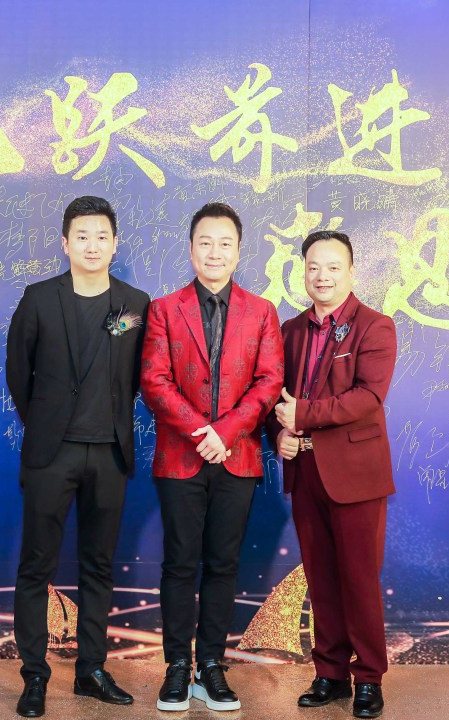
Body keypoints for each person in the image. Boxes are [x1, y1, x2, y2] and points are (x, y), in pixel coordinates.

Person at [5, 196, 150, 718]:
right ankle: (34, 676)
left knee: (98, 566)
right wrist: (46, 422)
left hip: (109, 453)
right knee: (36, 566)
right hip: (52, 453)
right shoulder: (39, 298)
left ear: (115, 243)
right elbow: (18, 371)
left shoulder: (133, 303)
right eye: (82, 236)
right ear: (65, 243)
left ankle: (91, 670)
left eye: (101, 236)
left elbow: (138, 375)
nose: (92, 245)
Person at [141, 202, 284, 712]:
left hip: (237, 456)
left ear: (239, 251)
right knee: (180, 563)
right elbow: (154, 381)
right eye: (206, 242)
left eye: (225, 244)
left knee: (223, 564)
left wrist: (225, 433)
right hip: (180, 456)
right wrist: (202, 432)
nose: (215, 252)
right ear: (191, 248)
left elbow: (269, 381)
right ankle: (177, 667)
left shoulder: (262, 312)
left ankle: (211, 666)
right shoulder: (164, 309)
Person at [267, 230, 397, 719]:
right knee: (319, 579)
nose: (322, 276)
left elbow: (367, 398)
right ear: (303, 272)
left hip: (357, 476)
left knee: (358, 580)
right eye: (313, 267)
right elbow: (275, 399)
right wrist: (278, 435)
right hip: (306, 473)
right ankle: (331, 673)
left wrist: (302, 416)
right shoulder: (290, 330)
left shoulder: (376, 326)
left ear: (351, 272)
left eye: (333, 267)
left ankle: (369, 678)